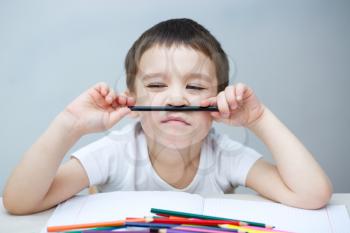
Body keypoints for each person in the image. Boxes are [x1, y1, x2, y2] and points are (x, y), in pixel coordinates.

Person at [3, 18, 332, 215]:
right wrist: (69, 124)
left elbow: (312, 194)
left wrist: (258, 118)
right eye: (157, 84)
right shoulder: (115, 152)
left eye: (194, 86)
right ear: (131, 100)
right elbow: (18, 202)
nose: (176, 99)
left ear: (217, 101)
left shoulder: (226, 155)